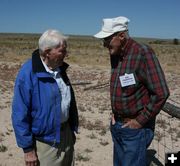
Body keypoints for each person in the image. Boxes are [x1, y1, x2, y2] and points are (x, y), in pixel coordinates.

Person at [94, 16, 169, 166]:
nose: (104, 44)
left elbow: (161, 92)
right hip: (118, 125)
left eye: (107, 39)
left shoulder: (143, 53)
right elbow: (123, 89)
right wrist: (115, 114)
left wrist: (139, 121)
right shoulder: (116, 54)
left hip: (135, 130)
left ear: (121, 36)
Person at [12, 29, 79, 166]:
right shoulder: (28, 73)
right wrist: (28, 149)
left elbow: (67, 103)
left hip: (65, 135)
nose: (66, 54)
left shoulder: (60, 69)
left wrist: (70, 129)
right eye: (62, 51)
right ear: (47, 52)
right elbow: (20, 113)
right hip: (45, 143)